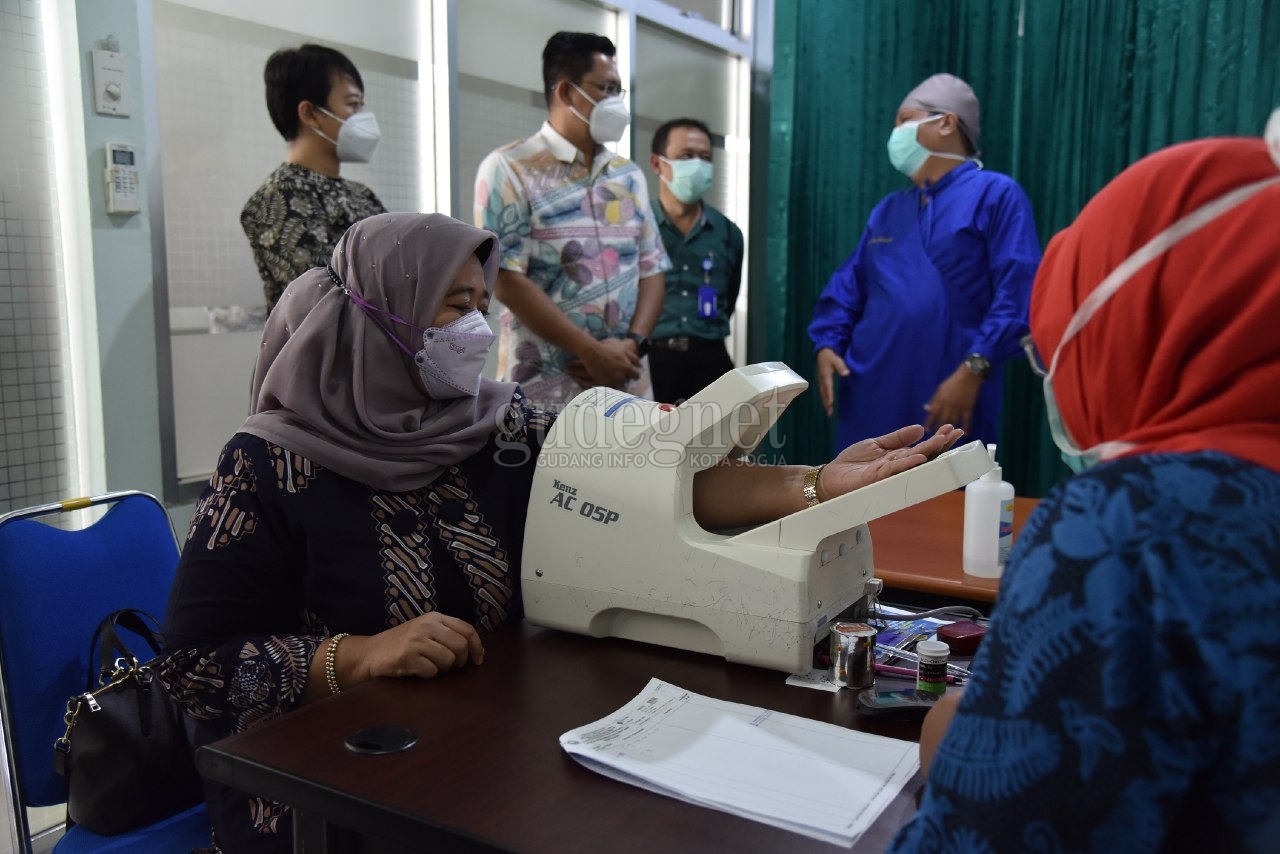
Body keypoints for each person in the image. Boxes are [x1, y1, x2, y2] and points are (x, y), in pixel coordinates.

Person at [159, 211, 963, 853]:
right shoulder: (269, 464)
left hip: (483, 743)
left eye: (482, 304)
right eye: (453, 306)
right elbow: (194, 668)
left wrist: (815, 484)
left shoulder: (497, 425)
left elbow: (658, 477)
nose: (474, 329)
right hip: (328, 783)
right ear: (383, 315)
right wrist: (359, 655)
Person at [888, 125, 1280, 852]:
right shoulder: (895, 210)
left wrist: (961, 756)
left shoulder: (1129, 530)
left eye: (1056, 346)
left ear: (1131, 324)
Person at [808, 73, 1040, 451]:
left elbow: (1019, 293)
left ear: (947, 122)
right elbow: (849, 284)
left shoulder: (996, 195)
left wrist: (973, 369)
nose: (895, 132)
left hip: (947, 392)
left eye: (904, 119)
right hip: (869, 391)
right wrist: (826, 343)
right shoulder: (889, 210)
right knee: (861, 501)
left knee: (944, 501)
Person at [474, 31, 669, 409]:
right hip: (546, 388)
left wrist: (634, 344)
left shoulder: (627, 175)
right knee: (546, 469)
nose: (616, 101)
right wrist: (590, 350)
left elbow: (653, 268)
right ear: (566, 92)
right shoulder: (510, 168)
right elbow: (505, 277)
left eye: (619, 90)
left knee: (637, 469)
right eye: (606, 88)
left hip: (628, 381)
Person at [241, 44, 386, 315]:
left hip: (379, 354)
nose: (363, 119)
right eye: (352, 105)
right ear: (310, 113)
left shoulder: (361, 195)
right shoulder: (279, 197)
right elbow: (321, 300)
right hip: (325, 357)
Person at [646, 117, 745, 404]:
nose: (697, 165)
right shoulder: (639, 226)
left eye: (705, 158)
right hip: (652, 358)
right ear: (657, 164)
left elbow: (730, 292)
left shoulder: (728, 233)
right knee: (648, 445)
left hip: (710, 358)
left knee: (718, 447)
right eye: (686, 156)